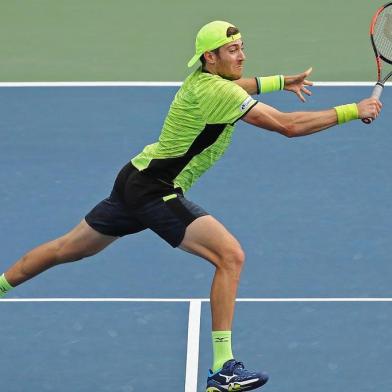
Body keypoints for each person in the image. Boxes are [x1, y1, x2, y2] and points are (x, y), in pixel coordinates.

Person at [0, 20, 382, 392]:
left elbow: (243, 86)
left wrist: (282, 81)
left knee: (66, 249)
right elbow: (288, 126)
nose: (242, 56)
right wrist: (352, 110)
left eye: (243, 47)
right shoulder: (222, 94)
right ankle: (222, 369)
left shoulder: (203, 82)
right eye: (233, 50)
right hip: (156, 190)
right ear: (210, 58)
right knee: (230, 256)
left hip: (135, 177)